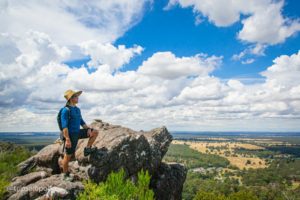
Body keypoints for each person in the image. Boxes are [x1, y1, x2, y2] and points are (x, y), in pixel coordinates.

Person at [60, 89, 99, 181]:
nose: (78, 98)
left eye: (77, 96)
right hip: (70, 135)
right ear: (71, 98)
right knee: (68, 156)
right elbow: (64, 126)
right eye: (76, 96)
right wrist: (67, 139)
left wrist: (88, 129)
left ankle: (88, 149)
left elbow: (81, 121)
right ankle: (65, 174)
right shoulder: (65, 110)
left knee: (95, 132)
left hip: (78, 132)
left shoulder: (77, 109)